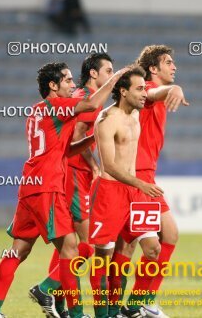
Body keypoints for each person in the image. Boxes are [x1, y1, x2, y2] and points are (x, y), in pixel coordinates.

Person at [0, 62, 128, 318]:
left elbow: (64, 150)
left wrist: (94, 138)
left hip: (30, 186)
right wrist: (115, 79)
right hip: (48, 187)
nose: (73, 85)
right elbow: (92, 105)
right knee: (74, 248)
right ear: (53, 85)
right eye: (68, 81)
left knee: (19, 250)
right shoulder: (58, 106)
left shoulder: (36, 111)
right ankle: (71, 309)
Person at [29, 53, 114, 318]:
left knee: (69, 246)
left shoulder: (79, 98)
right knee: (88, 245)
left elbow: (74, 137)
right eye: (108, 71)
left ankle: (65, 307)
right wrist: (95, 165)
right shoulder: (84, 98)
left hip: (67, 176)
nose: (111, 75)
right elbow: (76, 136)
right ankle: (52, 292)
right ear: (94, 74)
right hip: (74, 176)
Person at [110, 45, 189, 318]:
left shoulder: (144, 93)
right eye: (168, 62)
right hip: (139, 177)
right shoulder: (147, 91)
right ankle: (137, 304)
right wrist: (173, 89)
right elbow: (155, 93)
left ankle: (123, 308)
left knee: (125, 245)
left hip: (139, 175)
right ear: (153, 69)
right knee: (167, 235)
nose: (174, 67)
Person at [88, 66, 170, 318]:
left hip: (134, 193)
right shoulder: (106, 119)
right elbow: (109, 165)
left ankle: (124, 307)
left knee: (153, 249)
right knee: (104, 259)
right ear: (123, 92)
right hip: (110, 194)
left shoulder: (135, 115)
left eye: (146, 88)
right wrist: (140, 183)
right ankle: (106, 314)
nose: (145, 93)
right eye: (140, 89)